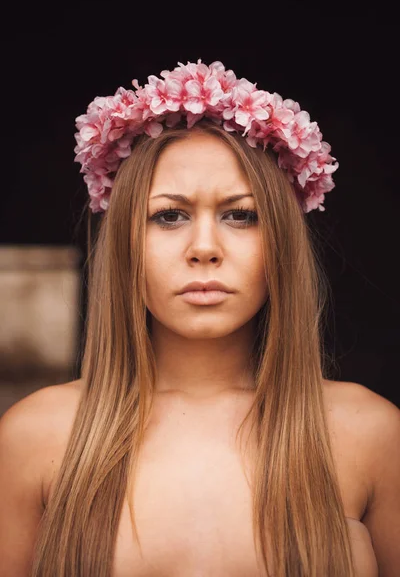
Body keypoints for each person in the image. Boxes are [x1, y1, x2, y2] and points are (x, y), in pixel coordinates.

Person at [1, 59, 399, 577]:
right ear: (125, 243)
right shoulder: (37, 436)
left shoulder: (371, 434)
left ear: (281, 242)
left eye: (241, 215)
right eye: (169, 215)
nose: (204, 248)